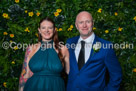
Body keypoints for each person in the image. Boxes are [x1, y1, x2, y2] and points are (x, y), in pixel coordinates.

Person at [66, 11, 122, 91]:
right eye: (81, 22)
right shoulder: (70, 42)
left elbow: (116, 74)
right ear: (76, 25)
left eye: (88, 22)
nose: (84, 25)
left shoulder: (106, 46)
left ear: (93, 23)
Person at [19, 17, 69, 91]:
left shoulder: (63, 49)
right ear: (39, 30)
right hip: (33, 87)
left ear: (54, 30)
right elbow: (26, 75)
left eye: (50, 28)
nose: (46, 31)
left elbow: (70, 73)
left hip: (56, 87)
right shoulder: (31, 48)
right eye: (43, 28)